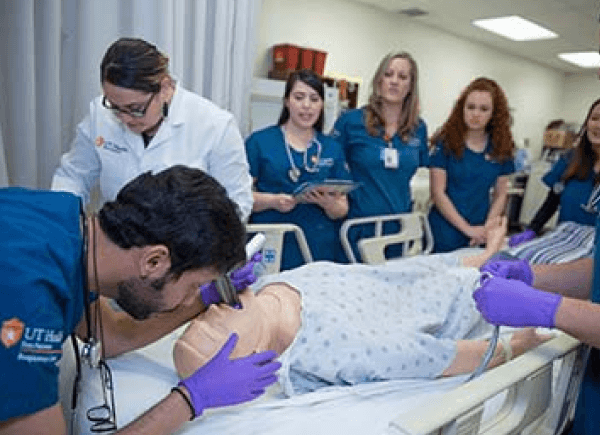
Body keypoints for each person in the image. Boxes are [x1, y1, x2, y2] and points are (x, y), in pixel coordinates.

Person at [0, 166, 280, 434]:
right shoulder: (26, 294)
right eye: (194, 286)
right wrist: (190, 399)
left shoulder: (64, 227)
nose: (187, 301)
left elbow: (111, 335)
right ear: (154, 261)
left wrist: (209, 296)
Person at [173, 217, 550, 396]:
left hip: (411, 272)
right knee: (527, 265)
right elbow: (431, 356)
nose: (212, 311)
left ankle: (491, 250)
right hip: (452, 296)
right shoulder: (326, 352)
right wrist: (514, 345)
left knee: (460, 262)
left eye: (200, 318)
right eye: (212, 330)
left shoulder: (269, 285)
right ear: (253, 355)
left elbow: (388, 273)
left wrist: (479, 255)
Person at [51, 37, 253, 220]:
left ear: (164, 88)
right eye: (115, 107)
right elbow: (73, 176)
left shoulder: (215, 126)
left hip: (183, 252)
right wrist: (62, 218)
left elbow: (237, 205)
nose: (125, 118)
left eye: (135, 109)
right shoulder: (99, 116)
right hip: (117, 242)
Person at [245, 69, 351, 270]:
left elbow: (342, 210)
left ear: (322, 104)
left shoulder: (331, 148)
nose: (306, 106)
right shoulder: (260, 142)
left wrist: (329, 204)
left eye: (314, 99)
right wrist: (273, 201)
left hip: (318, 246)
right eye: (299, 97)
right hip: (273, 244)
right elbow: (239, 198)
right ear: (286, 101)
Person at [331, 52, 429, 262]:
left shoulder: (418, 129)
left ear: (411, 86)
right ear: (378, 80)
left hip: (398, 227)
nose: (394, 81)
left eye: (403, 77)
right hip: (358, 225)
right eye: (388, 74)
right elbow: (330, 168)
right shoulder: (351, 121)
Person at [428, 77, 515, 253]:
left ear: (494, 114)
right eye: (470, 107)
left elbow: (501, 194)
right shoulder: (445, 143)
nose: (476, 114)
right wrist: (467, 229)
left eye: (484, 109)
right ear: (461, 109)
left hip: (481, 230)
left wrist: (487, 228)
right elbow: (438, 193)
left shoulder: (501, 148)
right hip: (445, 230)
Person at [509, 100, 600, 248]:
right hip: (564, 242)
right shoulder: (570, 160)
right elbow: (552, 200)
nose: (598, 125)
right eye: (595, 118)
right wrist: (533, 229)